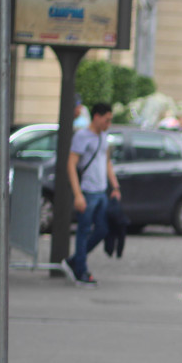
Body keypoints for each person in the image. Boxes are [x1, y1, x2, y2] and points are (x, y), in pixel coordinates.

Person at [65, 102, 121, 285]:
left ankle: (74, 261)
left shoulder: (103, 137)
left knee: (103, 229)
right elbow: (71, 164)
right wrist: (78, 194)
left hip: (101, 191)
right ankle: (80, 270)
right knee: (83, 230)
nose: (108, 124)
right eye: (107, 120)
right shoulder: (82, 136)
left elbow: (106, 162)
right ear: (97, 117)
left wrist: (115, 186)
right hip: (88, 191)